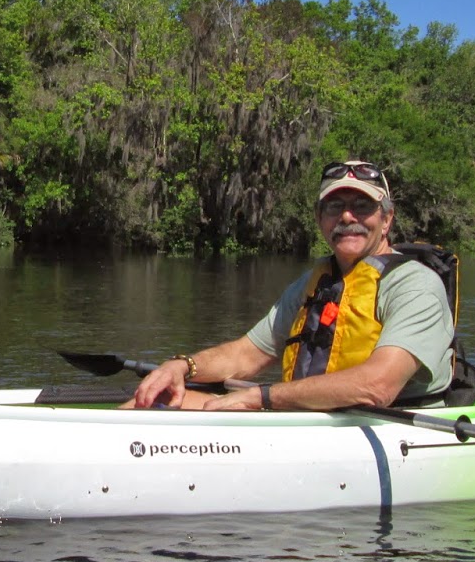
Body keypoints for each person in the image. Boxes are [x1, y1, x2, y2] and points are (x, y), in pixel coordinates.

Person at [130, 160, 455, 411]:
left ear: (386, 220)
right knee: (150, 402)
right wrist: (183, 366)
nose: (346, 216)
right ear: (319, 218)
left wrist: (260, 397)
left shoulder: (415, 286)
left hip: (387, 427)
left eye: (362, 206)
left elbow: (377, 386)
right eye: (334, 206)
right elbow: (246, 354)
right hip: (308, 419)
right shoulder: (315, 285)